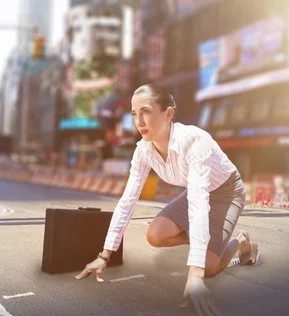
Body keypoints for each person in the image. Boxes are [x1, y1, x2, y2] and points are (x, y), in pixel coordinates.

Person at [75, 84, 260, 316]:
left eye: (145, 111)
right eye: (134, 114)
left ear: (168, 114)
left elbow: (199, 202)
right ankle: (210, 240)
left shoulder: (195, 140)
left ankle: (241, 242)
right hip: (196, 191)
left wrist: (195, 275)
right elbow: (128, 199)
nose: (139, 121)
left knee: (210, 268)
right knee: (155, 234)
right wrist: (104, 256)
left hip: (226, 192)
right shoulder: (143, 150)